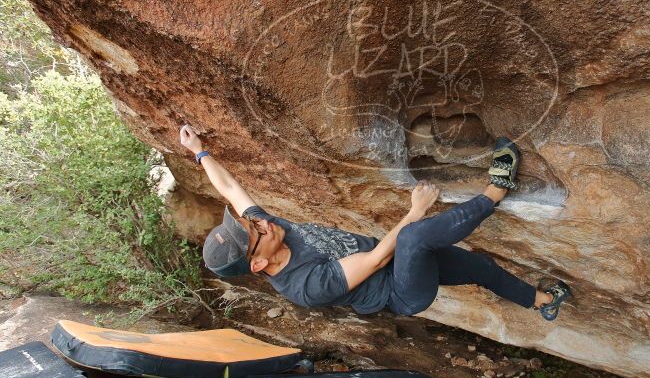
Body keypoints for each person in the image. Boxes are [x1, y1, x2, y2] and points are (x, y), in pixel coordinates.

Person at [179, 125, 572, 320]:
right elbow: (380, 258)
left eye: (252, 223)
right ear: (258, 263)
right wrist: (415, 210)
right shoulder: (304, 286)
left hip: (399, 266)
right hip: (402, 293)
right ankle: (496, 190)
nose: (260, 222)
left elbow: (230, 188)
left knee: (480, 268)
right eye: (254, 231)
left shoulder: (264, 232)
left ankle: (543, 301)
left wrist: (199, 152)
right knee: (415, 237)